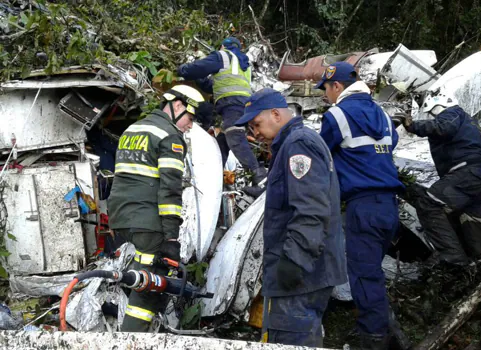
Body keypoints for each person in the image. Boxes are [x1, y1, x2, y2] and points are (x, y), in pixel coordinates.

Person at [234, 88, 346, 347]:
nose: (255, 133)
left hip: (303, 274)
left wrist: (294, 261)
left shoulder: (298, 144)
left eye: (257, 124)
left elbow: (310, 209)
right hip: (306, 270)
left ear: (276, 114)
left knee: (290, 340)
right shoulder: (292, 143)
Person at [108, 85, 212, 332]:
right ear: (177, 106)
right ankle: (131, 340)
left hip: (121, 217)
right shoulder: (170, 137)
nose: (190, 125)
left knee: (138, 277)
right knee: (149, 287)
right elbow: (169, 192)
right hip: (148, 222)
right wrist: (171, 237)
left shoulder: (132, 130)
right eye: (190, 117)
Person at [316, 62, 404, 349]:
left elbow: (318, 154)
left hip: (363, 206)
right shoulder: (382, 114)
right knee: (372, 272)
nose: (325, 96)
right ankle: (389, 331)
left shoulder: (337, 115)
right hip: (389, 207)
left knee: (364, 277)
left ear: (336, 86)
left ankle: (373, 339)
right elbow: (389, 146)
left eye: (326, 89)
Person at [399, 91, 481, 267]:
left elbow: (443, 127)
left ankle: (452, 258)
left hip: (466, 173)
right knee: (473, 220)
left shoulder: (453, 113)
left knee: (429, 203)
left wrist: (413, 126)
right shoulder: (468, 122)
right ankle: (480, 265)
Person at [177, 37, 266, 197]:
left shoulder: (223, 56)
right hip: (241, 105)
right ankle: (214, 179)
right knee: (221, 145)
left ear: (224, 46)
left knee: (235, 139)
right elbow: (215, 86)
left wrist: (183, 70)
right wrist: (198, 79)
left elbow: (198, 67)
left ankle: (261, 180)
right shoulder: (243, 64)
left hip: (232, 105)